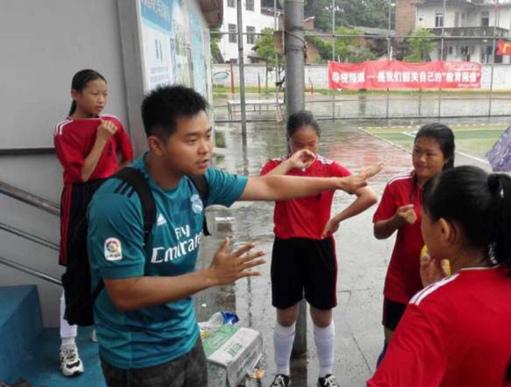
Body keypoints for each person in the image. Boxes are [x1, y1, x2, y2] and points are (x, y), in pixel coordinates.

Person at [87, 85, 381, 387]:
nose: (206, 148)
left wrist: (338, 182)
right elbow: (124, 293)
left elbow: (268, 187)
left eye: (208, 135)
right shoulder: (119, 202)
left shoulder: (201, 181)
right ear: (156, 144)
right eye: (192, 140)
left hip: (186, 340)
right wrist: (212, 276)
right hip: (139, 358)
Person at [367, 165, 511, 386]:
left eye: (424, 219)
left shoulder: (429, 308)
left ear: (444, 231)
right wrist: (442, 288)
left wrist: (437, 294)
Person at [262, 111, 377, 387]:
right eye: (298, 144)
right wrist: (290, 163)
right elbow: (262, 186)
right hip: (286, 247)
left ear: (319, 141)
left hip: (319, 247)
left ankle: (326, 374)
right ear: (288, 141)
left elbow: (369, 195)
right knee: (286, 314)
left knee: (322, 315)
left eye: (311, 143)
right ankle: (282, 373)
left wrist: (337, 219)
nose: (305, 150)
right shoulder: (276, 166)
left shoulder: (330, 168)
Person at [53, 69, 133, 376]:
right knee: (76, 271)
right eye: (93, 93)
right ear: (75, 94)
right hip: (79, 199)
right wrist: (100, 139)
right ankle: (68, 345)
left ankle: (105, 324)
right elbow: (83, 174)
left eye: (104, 93)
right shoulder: (64, 129)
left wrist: (116, 188)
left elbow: (126, 158)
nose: (100, 100)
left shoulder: (113, 123)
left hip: (109, 196)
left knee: (114, 264)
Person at [372, 123, 455, 361]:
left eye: (430, 154)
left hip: (442, 286)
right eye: (416, 151)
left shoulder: (457, 191)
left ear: (446, 157)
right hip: (400, 284)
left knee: (433, 353)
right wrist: (395, 221)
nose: (420, 159)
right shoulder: (397, 186)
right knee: (394, 349)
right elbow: (378, 232)